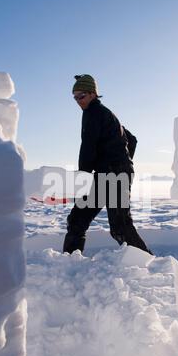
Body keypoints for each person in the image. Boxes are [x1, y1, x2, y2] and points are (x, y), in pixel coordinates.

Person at [63, 74, 153, 255]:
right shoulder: (107, 114)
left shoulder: (93, 113)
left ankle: (147, 264)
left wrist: (84, 176)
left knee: (119, 226)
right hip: (110, 173)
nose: (78, 101)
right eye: (75, 97)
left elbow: (88, 148)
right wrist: (123, 161)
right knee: (77, 220)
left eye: (81, 96)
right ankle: (69, 260)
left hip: (113, 174)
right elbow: (132, 140)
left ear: (93, 94)